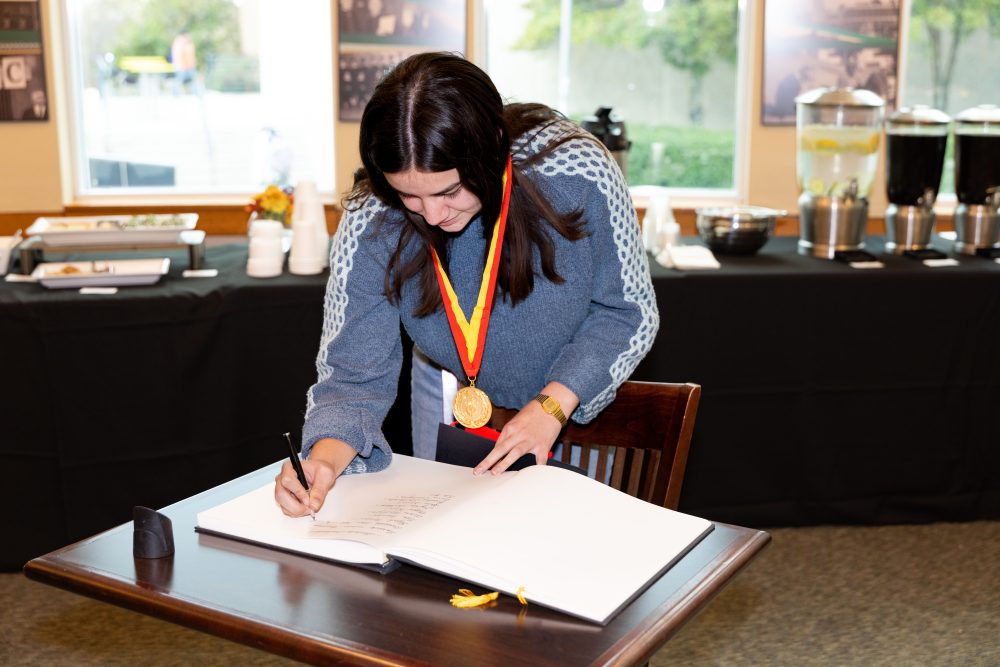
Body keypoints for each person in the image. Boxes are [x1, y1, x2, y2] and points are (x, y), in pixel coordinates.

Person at [274, 52, 658, 517]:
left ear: (492, 147)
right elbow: (354, 373)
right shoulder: (372, 217)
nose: (433, 215)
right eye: (408, 194)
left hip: (573, 401)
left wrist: (553, 406)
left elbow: (628, 311)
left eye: (449, 191)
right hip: (447, 396)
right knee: (450, 550)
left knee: (569, 550)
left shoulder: (577, 174)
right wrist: (323, 461)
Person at [171, 30, 197, 94]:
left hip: (188, 66)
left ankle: (192, 93)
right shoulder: (179, 43)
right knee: (179, 81)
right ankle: (176, 94)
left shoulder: (187, 43)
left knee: (191, 81)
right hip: (182, 66)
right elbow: (181, 55)